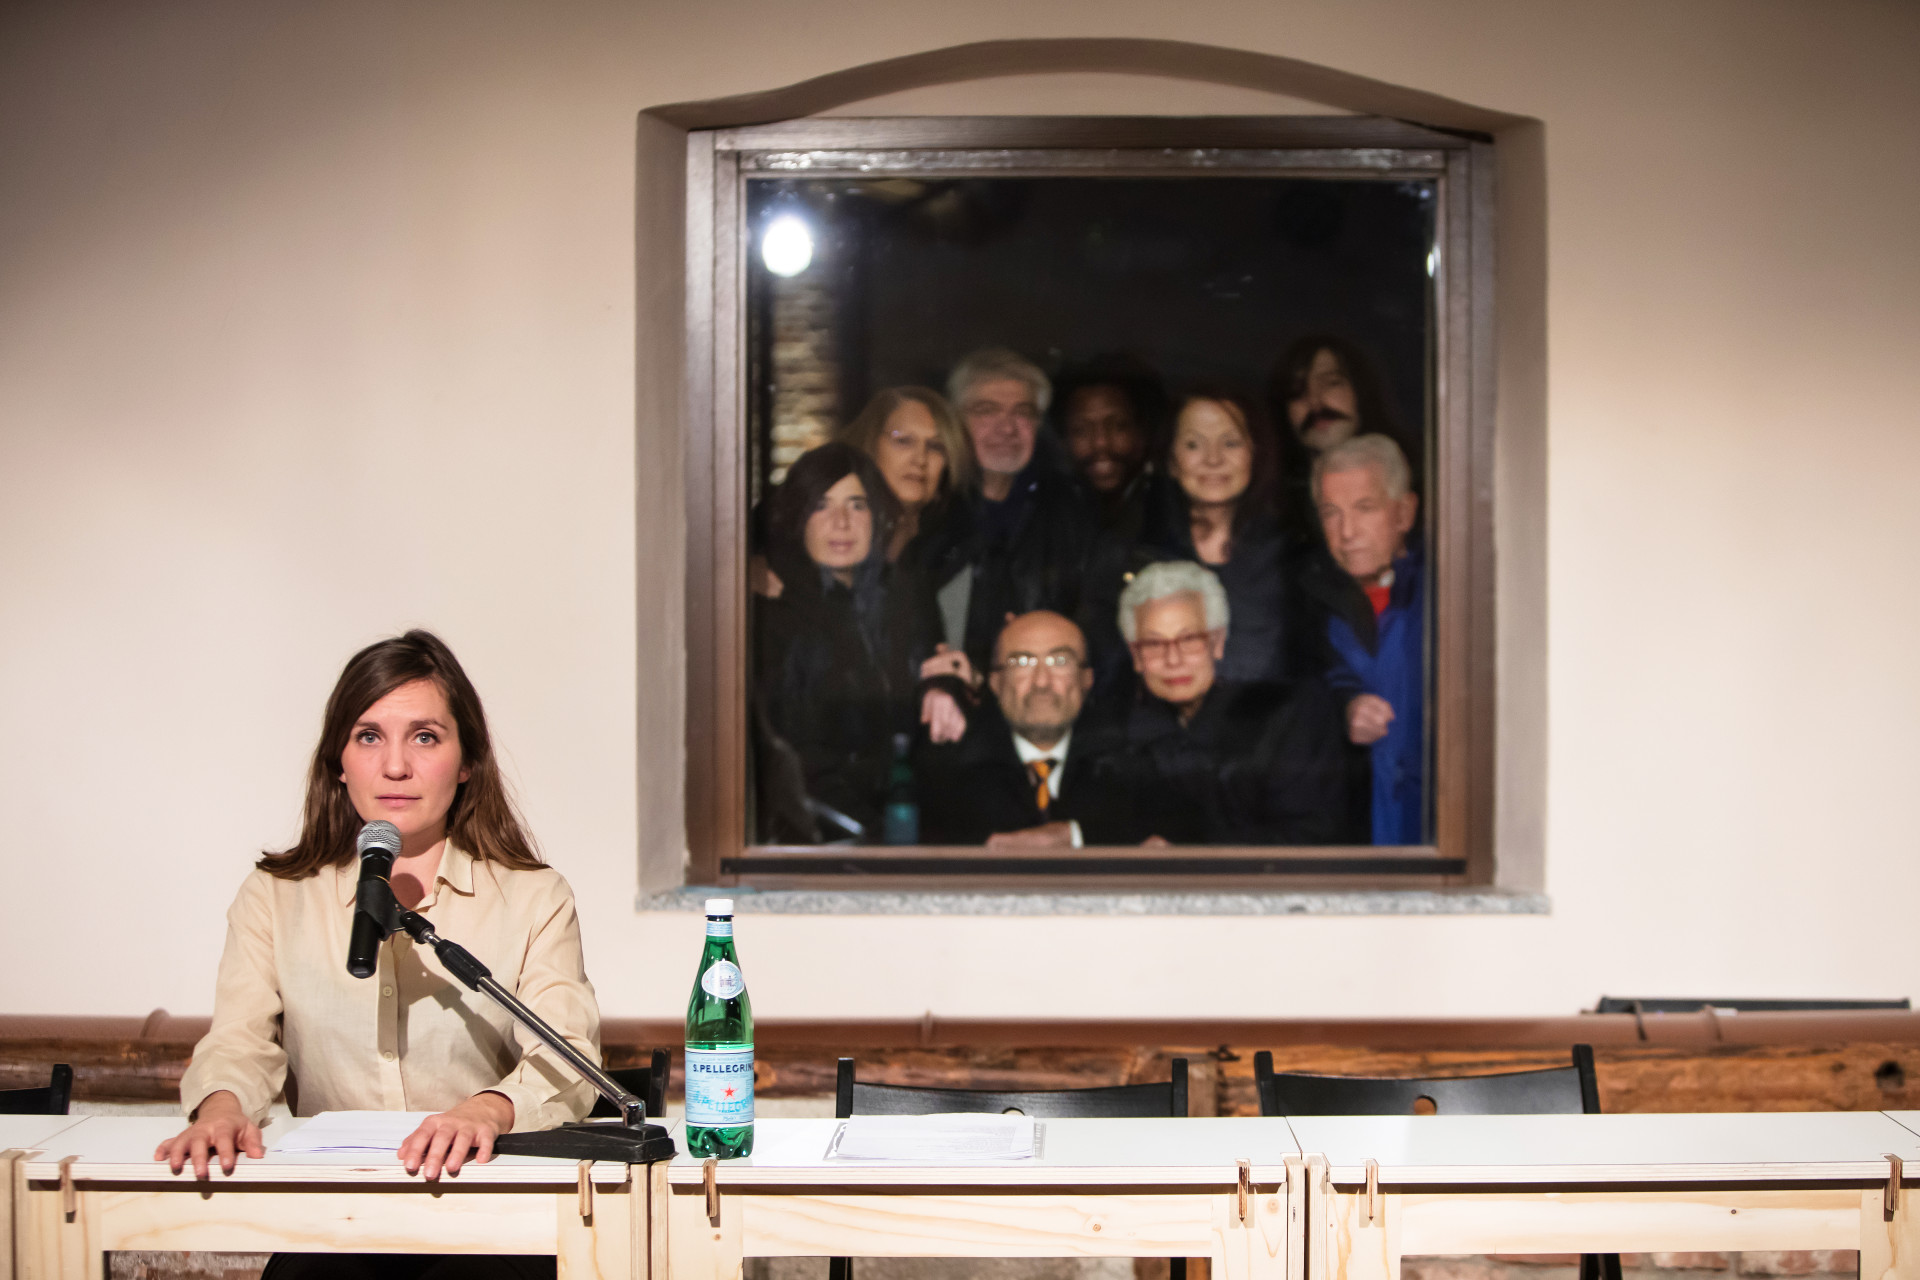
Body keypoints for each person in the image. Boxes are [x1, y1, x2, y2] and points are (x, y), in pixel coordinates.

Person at [155, 630, 600, 1280]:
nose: (395, 766)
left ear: (467, 761)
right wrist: (221, 1108)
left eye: (425, 737)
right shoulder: (275, 897)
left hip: (488, 1211)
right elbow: (240, 1041)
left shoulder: (535, 897)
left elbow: (569, 1053)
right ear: (338, 761)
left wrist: (485, 1110)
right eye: (369, 736)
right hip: (336, 1219)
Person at [754, 442, 938, 842]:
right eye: (821, 506)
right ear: (798, 519)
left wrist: (948, 683)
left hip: (909, 822)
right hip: (826, 838)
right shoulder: (775, 619)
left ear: (877, 517)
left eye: (857, 505)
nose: (841, 523)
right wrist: (879, 838)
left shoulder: (903, 600)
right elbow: (797, 762)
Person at [1107, 561, 1351, 845]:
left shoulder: (1288, 715)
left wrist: (1188, 855)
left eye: (1189, 639)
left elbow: (1310, 836)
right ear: (1136, 657)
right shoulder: (1127, 733)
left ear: (1218, 642)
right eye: (1154, 644)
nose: (1173, 660)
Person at [925, 348, 1096, 672]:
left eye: (1022, 413)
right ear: (954, 421)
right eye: (986, 411)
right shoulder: (927, 511)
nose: (1006, 428)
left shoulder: (1072, 512)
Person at [915, 611, 1142, 847]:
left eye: (1059, 661)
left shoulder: (1130, 761)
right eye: (1021, 662)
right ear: (995, 682)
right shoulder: (949, 774)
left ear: (1087, 678)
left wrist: (1074, 835)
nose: (1041, 682)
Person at [1303, 433, 1426, 845]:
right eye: (1331, 513)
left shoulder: (1446, 597)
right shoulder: (1307, 604)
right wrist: (1345, 707)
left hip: (1435, 832)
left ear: (1404, 513)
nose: (1347, 532)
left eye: (1365, 508)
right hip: (1349, 834)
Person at [1137, 390, 1301, 687]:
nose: (1213, 459)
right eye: (1193, 444)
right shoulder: (1139, 550)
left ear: (1255, 453)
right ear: (1171, 460)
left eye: (1230, 443)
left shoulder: (1293, 551)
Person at [833, 385, 975, 564]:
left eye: (935, 446)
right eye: (904, 441)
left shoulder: (958, 551)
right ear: (870, 445)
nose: (920, 459)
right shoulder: (827, 534)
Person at [1054, 356, 1168, 541]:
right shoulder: (1049, 513)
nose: (1101, 443)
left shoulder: (1170, 511)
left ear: (1142, 433)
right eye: (1081, 431)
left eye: (1118, 426)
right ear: (1063, 442)